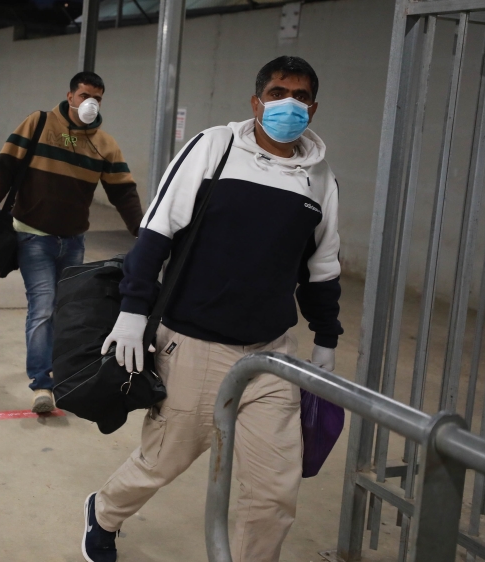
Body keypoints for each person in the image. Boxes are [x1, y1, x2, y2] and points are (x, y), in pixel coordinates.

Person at [81, 56, 342, 562]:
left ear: (314, 107)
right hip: (195, 343)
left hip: (272, 357)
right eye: (277, 93)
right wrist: (133, 311)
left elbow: (322, 270)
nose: (289, 104)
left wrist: (326, 339)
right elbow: (156, 232)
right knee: (163, 460)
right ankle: (104, 512)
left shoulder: (320, 179)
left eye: (301, 96)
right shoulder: (214, 149)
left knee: (272, 493)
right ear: (256, 101)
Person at [0, 71, 143, 413]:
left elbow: (123, 192)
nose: (90, 103)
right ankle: (42, 384)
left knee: (68, 312)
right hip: (33, 237)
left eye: (97, 98)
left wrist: (145, 233)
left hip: (73, 241)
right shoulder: (39, 124)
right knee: (43, 307)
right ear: (70, 95)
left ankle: (61, 372)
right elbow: (4, 167)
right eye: (84, 95)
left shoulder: (104, 144)